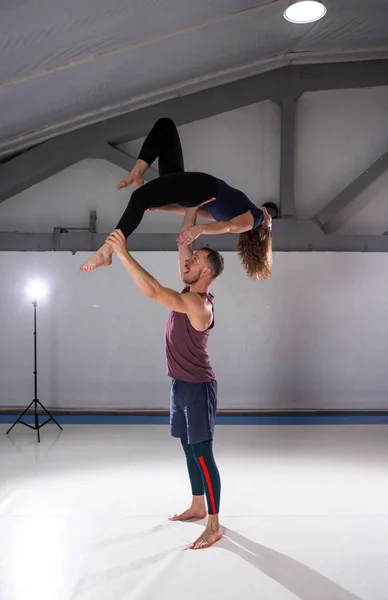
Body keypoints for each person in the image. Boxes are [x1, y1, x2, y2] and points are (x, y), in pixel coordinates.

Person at [105, 207, 224, 550]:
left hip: (199, 387)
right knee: (188, 449)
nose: (186, 261)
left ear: (206, 271)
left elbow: (155, 291)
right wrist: (191, 211)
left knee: (203, 453)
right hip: (180, 384)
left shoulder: (199, 305)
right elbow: (183, 245)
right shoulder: (189, 289)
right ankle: (198, 505)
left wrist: (123, 253)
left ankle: (214, 525)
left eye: (194, 259)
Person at [80, 117, 272, 279]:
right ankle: (139, 170)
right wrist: (165, 208)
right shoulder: (229, 215)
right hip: (192, 192)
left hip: (199, 186)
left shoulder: (253, 220)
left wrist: (199, 229)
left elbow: (229, 227)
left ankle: (106, 251)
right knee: (166, 127)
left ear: (261, 231)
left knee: (140, 197)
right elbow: (194, 208)